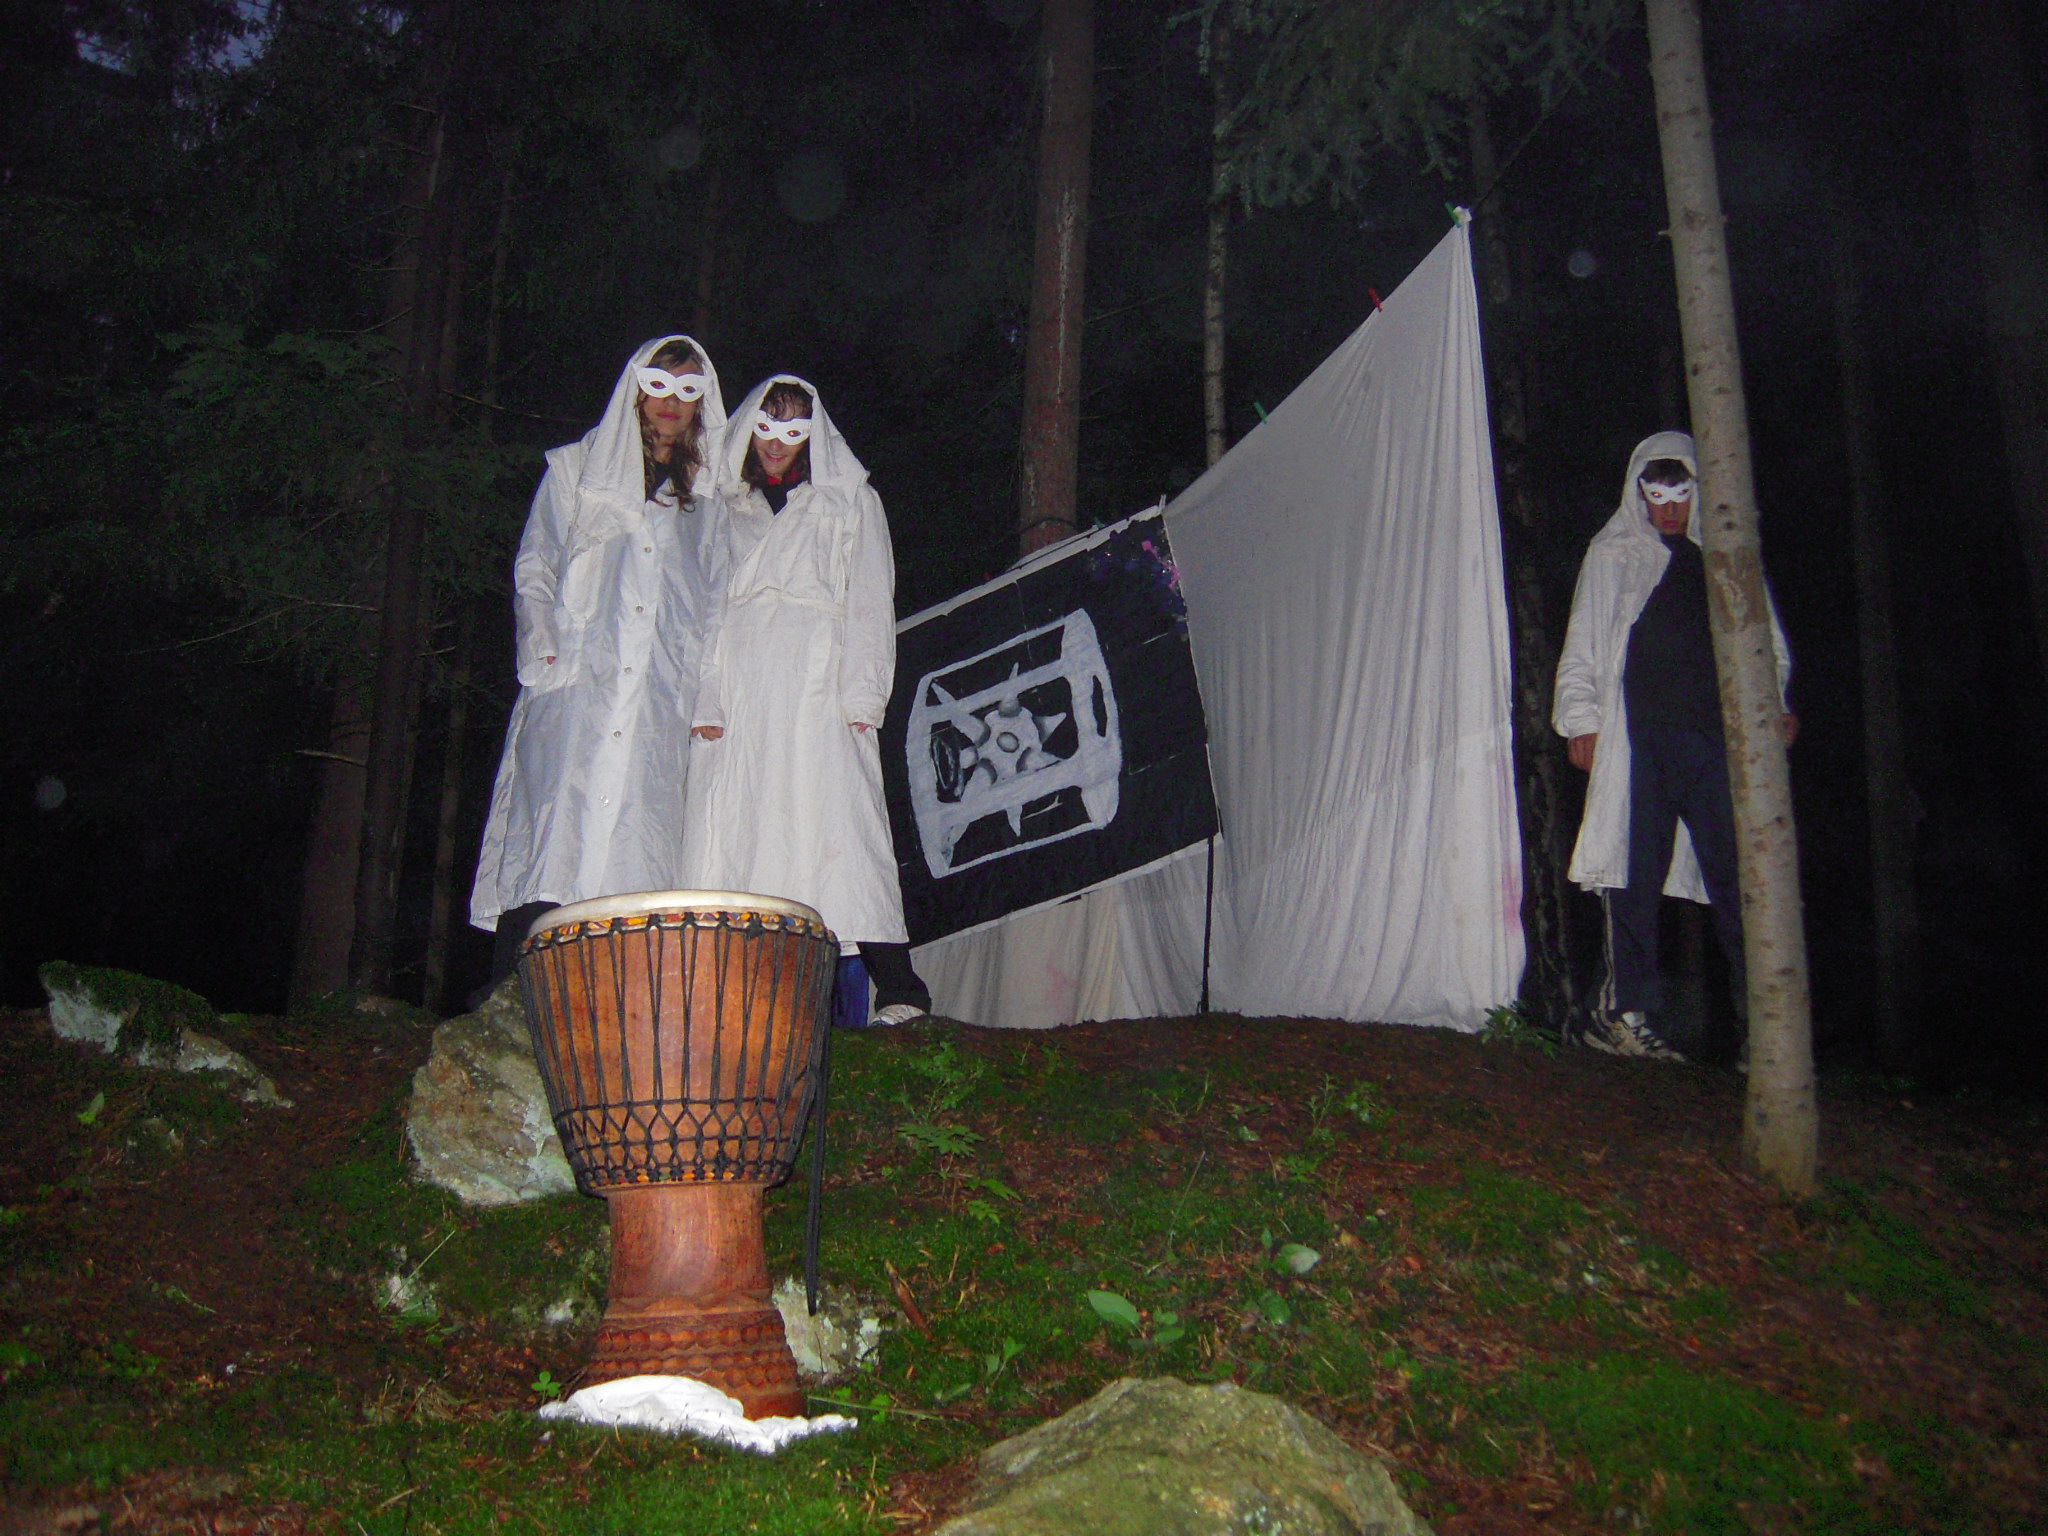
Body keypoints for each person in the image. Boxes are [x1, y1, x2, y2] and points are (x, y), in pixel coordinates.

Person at [468, 335, 728, 991]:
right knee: (553, 833)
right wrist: (543, 648)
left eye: (687, 390)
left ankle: (613, 1008)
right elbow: (536, 563)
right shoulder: (576, 470)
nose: (671, 403)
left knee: (634, 847)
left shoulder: (708, 502)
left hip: (657, 699)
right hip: (577, 684)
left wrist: (705, 696)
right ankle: (511, 997)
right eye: (659, 385)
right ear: (635, 389)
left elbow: (715, 606)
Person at [683, 375, 932, 1025]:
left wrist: (864, 696)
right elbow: (702, 604)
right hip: (741, 684)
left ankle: (899, 988)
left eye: (794, 430)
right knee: (740, 829)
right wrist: (705, 696)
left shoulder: (849, 499)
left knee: (842, 828)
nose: (777, 443)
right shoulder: (721, 503)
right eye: (767, 427)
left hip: (818, 681)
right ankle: (741, 1000)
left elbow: (871, 599)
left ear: (814, 433)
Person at [1552, 430, 1794, 1063]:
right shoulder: (1614, 553)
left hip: (1714, 745)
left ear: (1698, 490)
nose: (1667, 508)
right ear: (1638, 493)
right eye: (1655, 495)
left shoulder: (1725, 556)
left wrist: (1774, 705)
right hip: (1638, 744)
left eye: (1679, 494)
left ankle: (1764, 1034)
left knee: (1742, 880)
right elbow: (1583, 642)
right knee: (1631, 876)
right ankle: (1621, 1015)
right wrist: (1581, 719)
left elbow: (1763, 637)